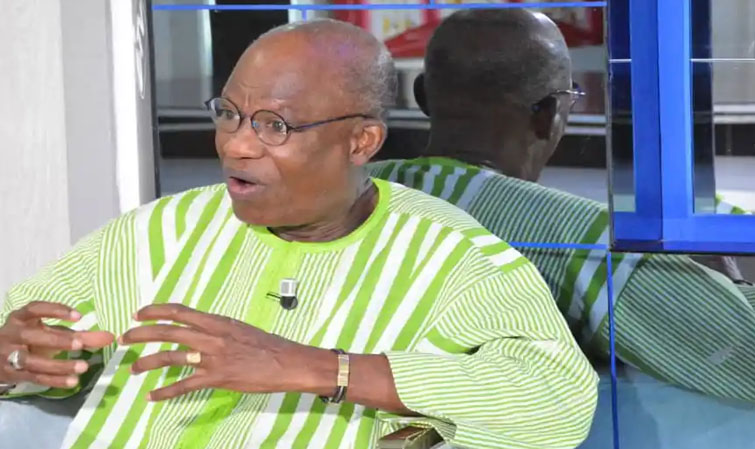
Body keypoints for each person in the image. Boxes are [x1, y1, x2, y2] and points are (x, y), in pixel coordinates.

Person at [0, 19, 597, 449]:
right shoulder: (157, 231)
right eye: (228, 114)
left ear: (361, 142)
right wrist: (18, 360)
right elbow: (22, 341)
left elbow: (558, 403)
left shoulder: (453, 258)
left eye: (274, 125)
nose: (236, 145)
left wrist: (322, 369)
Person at [369, 9, 755, 403]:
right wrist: (729, 280)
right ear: (549, 113)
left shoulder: (362, 189)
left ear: (422, 96)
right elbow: (744, 358)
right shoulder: (583, 238)